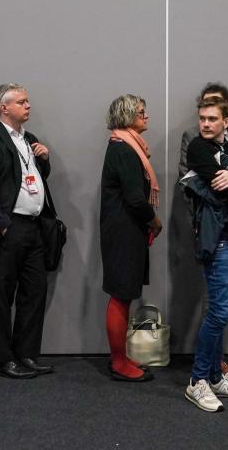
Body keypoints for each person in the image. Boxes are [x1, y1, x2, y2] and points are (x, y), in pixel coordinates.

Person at [0, 83, 57, 378]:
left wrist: (44, 160)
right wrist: (4, 226)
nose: (28, 106)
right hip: (10, 228)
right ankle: (1, 359)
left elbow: (35, 179)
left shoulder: (30, 139)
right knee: (2, 294)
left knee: (34, 292)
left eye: (28, 101)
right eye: (22, 102)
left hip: (34, 227)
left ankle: (26, 353)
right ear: (4, 108)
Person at [183, 99, 228, 411]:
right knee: (219, 313)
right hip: (217, 242)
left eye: (212, 119)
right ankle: (197, 380)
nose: (205, 124)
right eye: (202, 118)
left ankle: (214, 376)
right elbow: (218, 188)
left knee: (221, 311)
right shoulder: (198, 149)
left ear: (227, 121)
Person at [100, 94, 163, 382]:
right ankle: (119, 363)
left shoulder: (126, 146)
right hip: (124, 231)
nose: (146, 116)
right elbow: (136, 199)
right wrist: (154, 220)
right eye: (140, 112)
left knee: (123, 294)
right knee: (121, 295)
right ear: (126, 117)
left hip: (125, 230)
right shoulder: (124, 150)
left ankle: (122, 358)